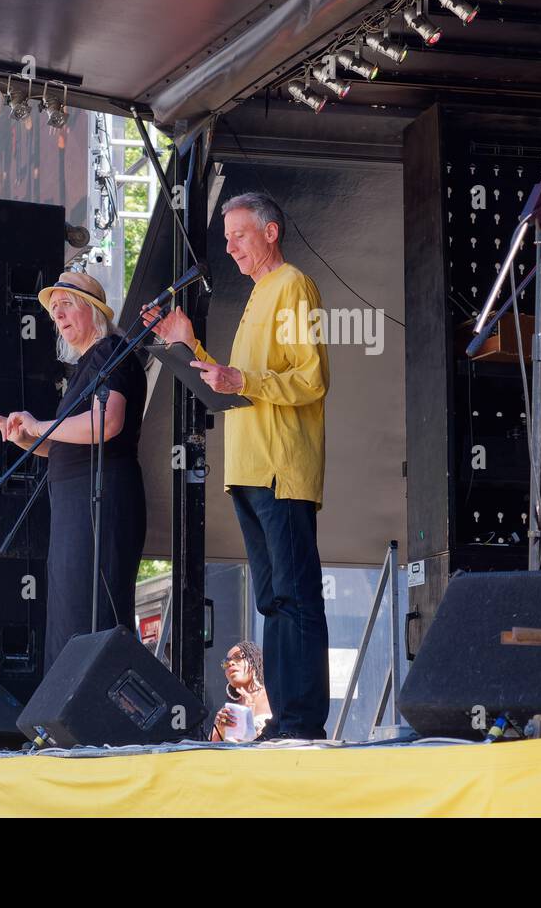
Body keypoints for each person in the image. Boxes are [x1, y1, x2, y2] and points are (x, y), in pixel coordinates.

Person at [142, 192, 331, 741]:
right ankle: (286, 720)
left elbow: (311, 378)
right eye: (225, 239)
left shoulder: (293, 285)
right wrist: (187, 346)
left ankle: (303, 722)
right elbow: (231, 383)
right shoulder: (257, 295)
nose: (229, 249)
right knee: (273, 601)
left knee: (294, 598)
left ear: (271, 232)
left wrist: (240, 379)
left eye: (239, 236)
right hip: (248, 470)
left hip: (279, 467)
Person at [0, 270, 147, 673]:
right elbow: (64, 445)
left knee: (92, 613)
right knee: (69, 614)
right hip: (76, 500)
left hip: (101, 497)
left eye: (66, 305)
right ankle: (71, 706)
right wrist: (25, 436)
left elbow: (106, 423)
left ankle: (102, 704)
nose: (57, 315)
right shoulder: (85, 367)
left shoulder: (110, 352)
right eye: (54, 309)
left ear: (93, 311)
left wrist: (40, 425)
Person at [210, 641, 272, 742]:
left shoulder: (272, 697)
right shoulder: (227, 711)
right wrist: (220, 729)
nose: (230, 663)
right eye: (226, 662)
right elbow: (211, 747)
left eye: (238, 657)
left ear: (253, 661)